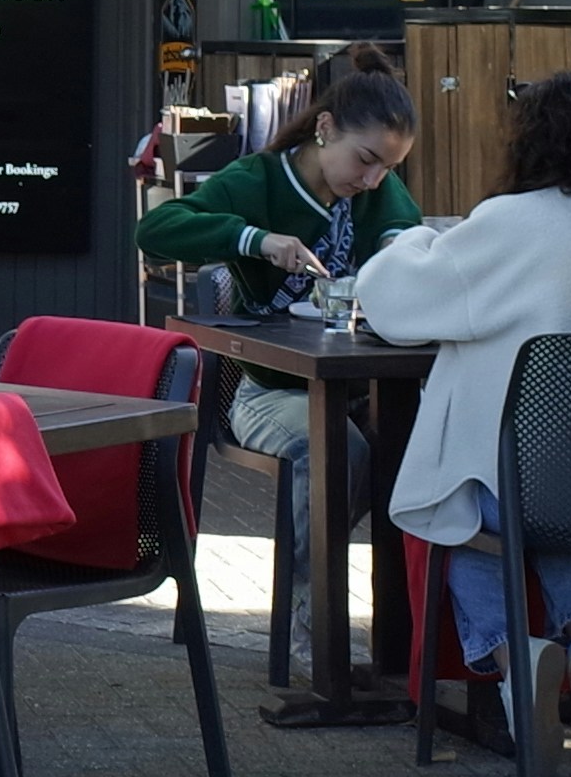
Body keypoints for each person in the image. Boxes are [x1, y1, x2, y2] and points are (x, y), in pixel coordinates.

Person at [352, 71, 571, 773]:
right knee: (562, 489)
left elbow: (394, 303)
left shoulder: (511, 224)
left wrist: (407, 242)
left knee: (460, 504)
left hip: (522, 482)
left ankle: (517, 658)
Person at [135, 43, 423, 473]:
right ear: (325, 127)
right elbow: (154, 231)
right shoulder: (257, 179)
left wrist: (398, 251)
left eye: (389, 168)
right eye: (365, 160)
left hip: (363, 390)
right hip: (271, 394)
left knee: (432, 450)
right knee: (339, 453)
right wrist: (257, 240)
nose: (373, 179)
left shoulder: (376, 187)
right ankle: (318, 544)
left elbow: (405, 233)